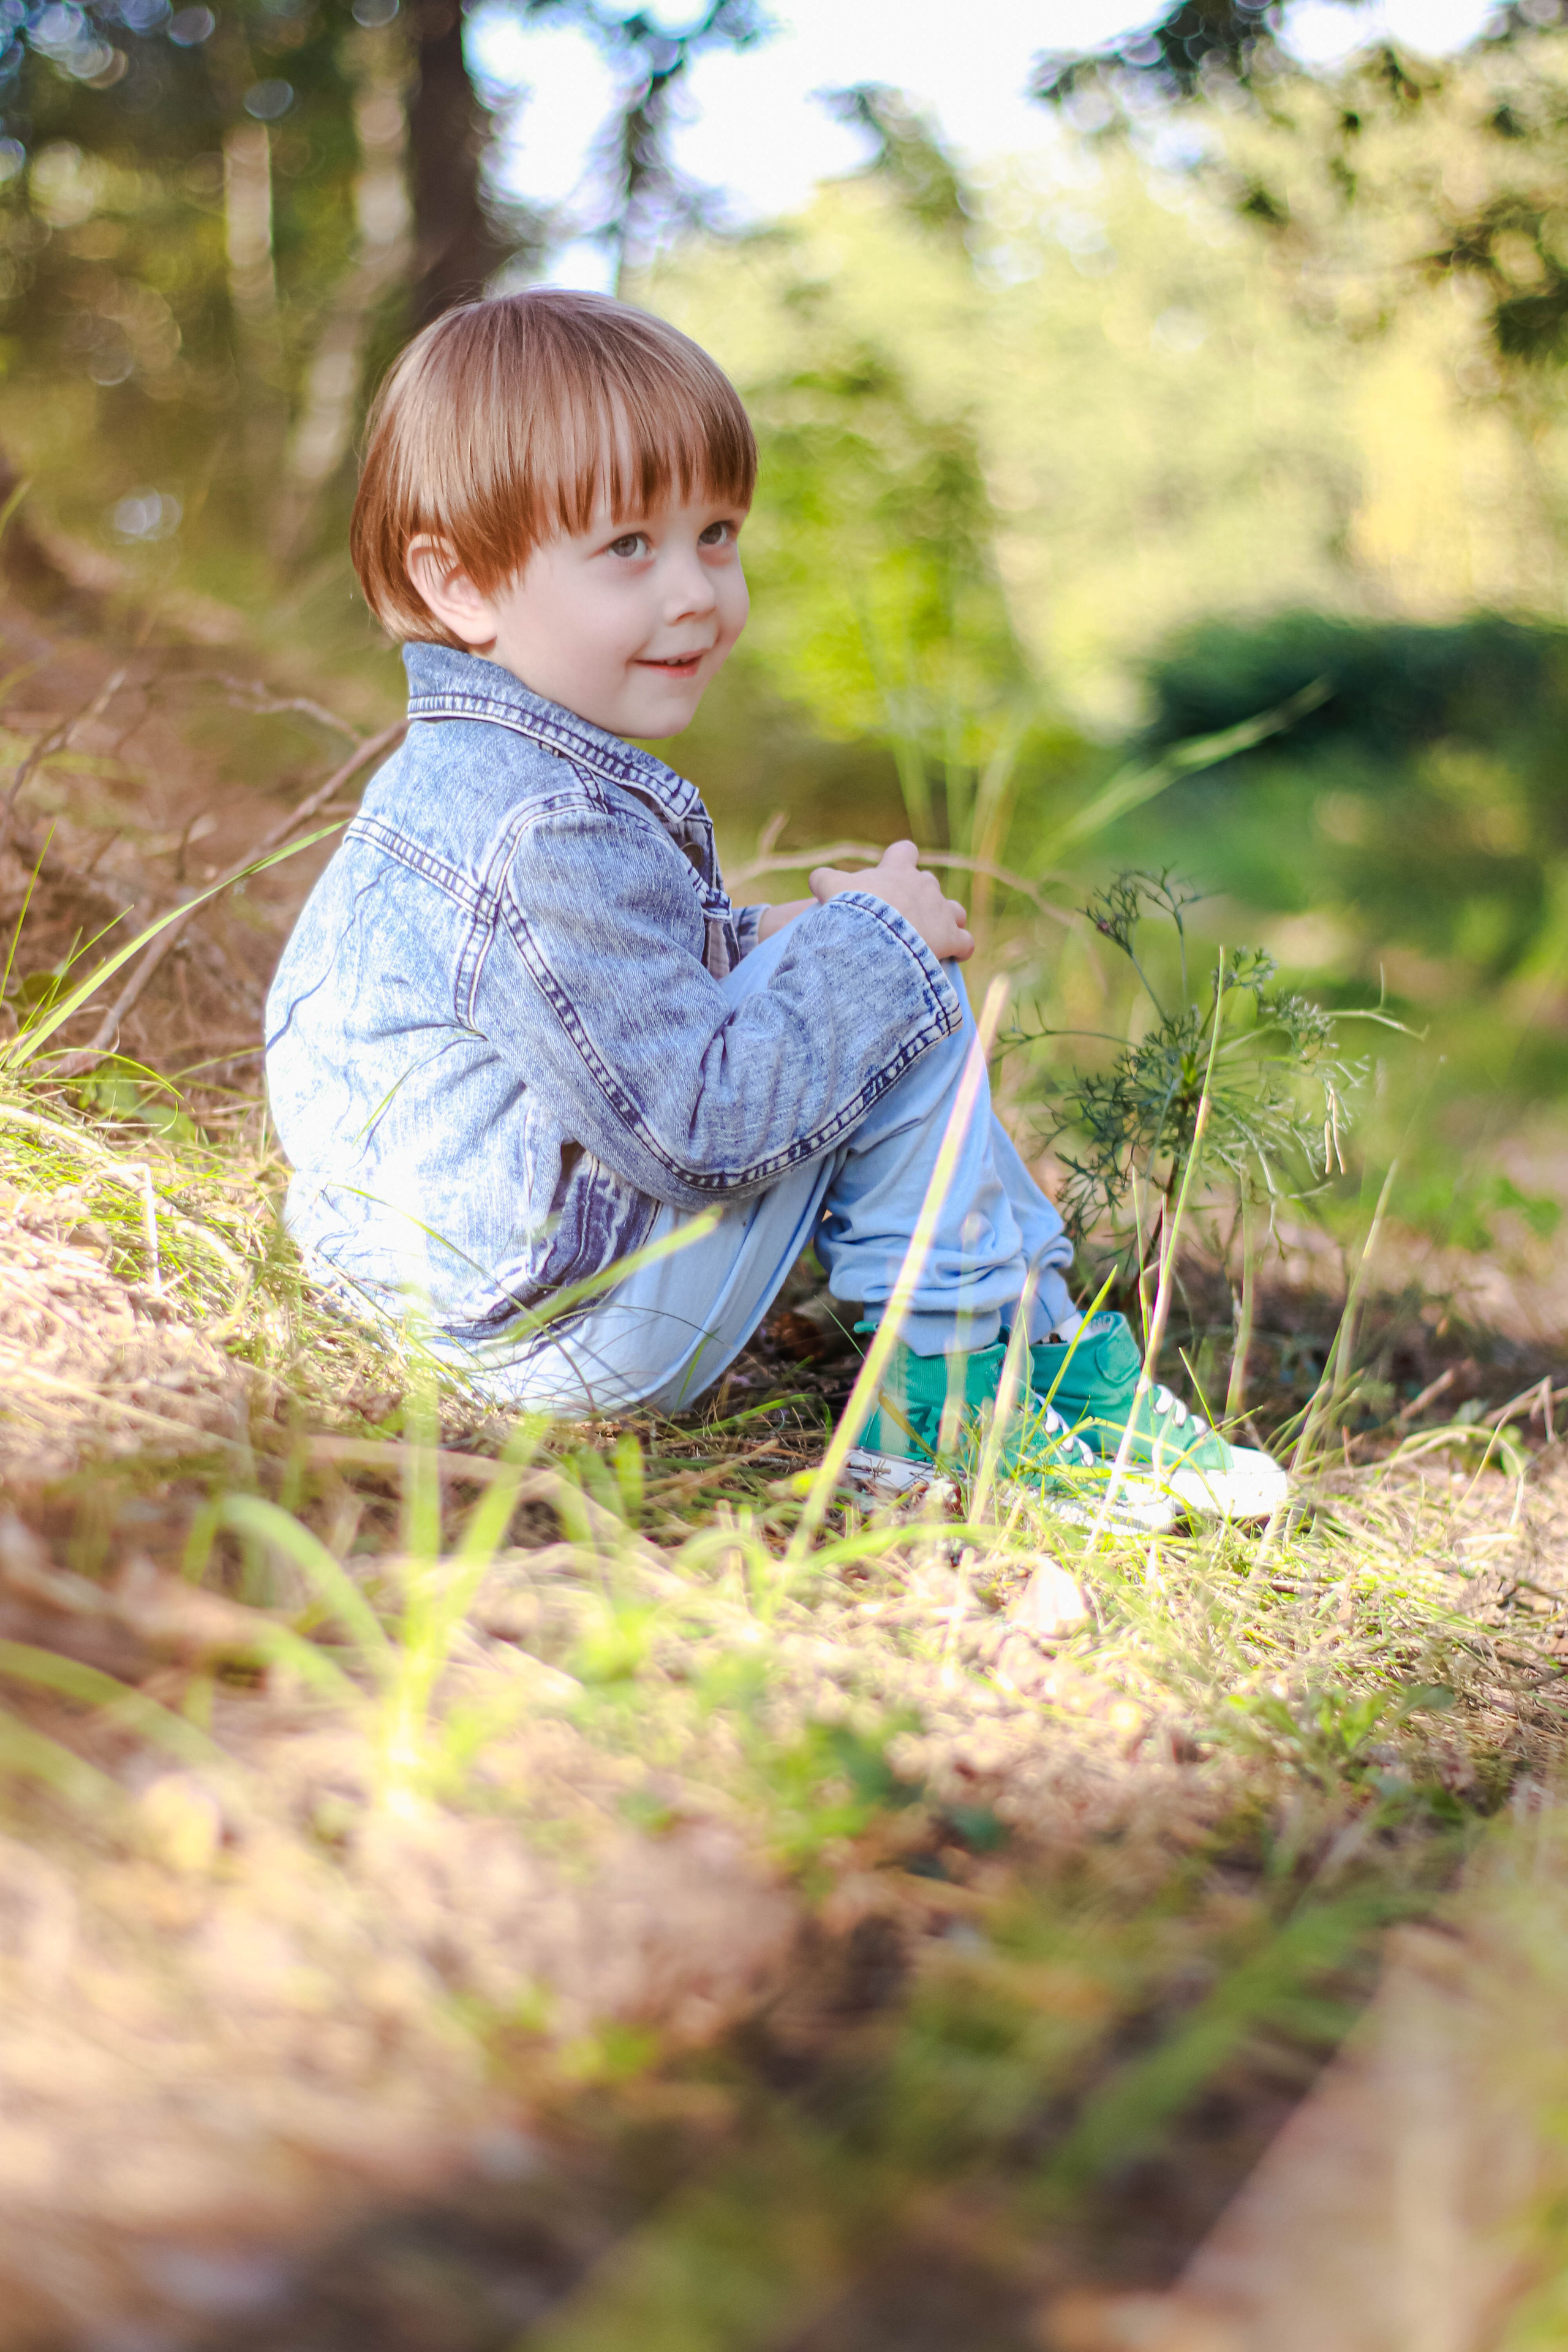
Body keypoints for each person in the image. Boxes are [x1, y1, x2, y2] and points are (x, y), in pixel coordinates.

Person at [264, 288, 1284, 1523]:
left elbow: (596, 1014)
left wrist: (788, 948)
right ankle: (970, 1399)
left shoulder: (479, 778)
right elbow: (691, 1131)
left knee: (874, 963)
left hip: (444, 1286)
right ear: (463, 581)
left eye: (715, 535)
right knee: (892, 972)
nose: (696, 592)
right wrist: (870, 959)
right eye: (628, 547)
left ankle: (1034, 1364)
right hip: (541, 1330)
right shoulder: (545, 827)